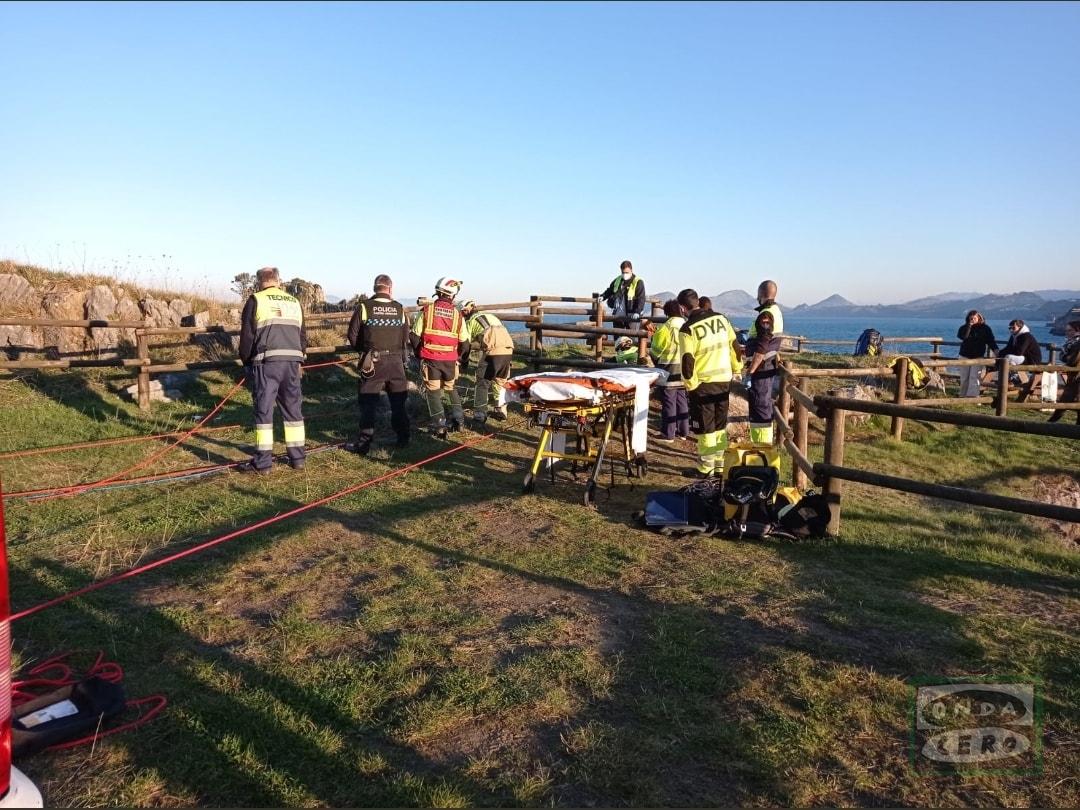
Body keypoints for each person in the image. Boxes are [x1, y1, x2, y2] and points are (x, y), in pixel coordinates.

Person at [236, 266, 307, 473]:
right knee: (293, 411)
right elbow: (302, 335)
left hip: (267, 363)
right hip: (293, 362)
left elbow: (247, 337)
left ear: (259, 282)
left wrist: (246, 362)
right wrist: (300, 356)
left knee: (264, 412)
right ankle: (298, 458)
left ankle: (263, 462)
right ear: (278, 280)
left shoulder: (256, 300)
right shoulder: (294, 302)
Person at [343, 274, 410, 456]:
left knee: (368, 402)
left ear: (375, 288)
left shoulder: (364, 307)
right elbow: (405, 337)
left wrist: (363, 352)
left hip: (373, 361)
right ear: (390, 288)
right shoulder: (399, 309)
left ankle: (364, 443)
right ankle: (403, 438)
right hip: (396, 362)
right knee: (398, 401)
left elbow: (353, 335)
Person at [678, 288, 742, 478]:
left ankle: (705, 469)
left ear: (683, 308)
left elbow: (687, 361)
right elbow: (734, 346)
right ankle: (720, 466)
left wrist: (690, 386)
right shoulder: (721, 319)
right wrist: (737, 369)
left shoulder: (687, 329)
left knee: (706, 429)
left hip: (703, 384)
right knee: (720, 425)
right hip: (724, 380)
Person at [410, 277, 469, 438]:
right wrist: (460, 358)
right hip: (450, 361)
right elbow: (465, 343)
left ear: (438, 292)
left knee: (434, 392)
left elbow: (414, 337)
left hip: (431, 360)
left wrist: (418, 354)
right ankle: (459, 419)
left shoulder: (427, 311)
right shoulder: (458, 315)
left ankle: (440, 425)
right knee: (451, 389)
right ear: (453, 296)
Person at [458, 299, 514, 425]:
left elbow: (466, 344)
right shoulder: (491, 316)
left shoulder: (471, 321)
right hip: (508, 349)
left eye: (462, 313)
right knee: (500, 380)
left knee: (482, 381)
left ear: (465, 311)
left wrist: (464, 360)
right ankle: (501, 409)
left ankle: (480, 414)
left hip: (492, 351)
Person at [649, 299, 690, 442]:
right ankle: (684, 431)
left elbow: (655, 351)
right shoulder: (687, 325)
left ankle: (668, 433)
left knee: (669, 402)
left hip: (669, 369)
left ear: (666, 312)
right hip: (685, 370)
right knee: (682, 400)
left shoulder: (665, 328)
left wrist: (656, 362)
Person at [744, 310, 781, 445]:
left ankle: (763, 445)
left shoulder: (765, 318)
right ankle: (758, 444)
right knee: (759, 405)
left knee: (761, 406)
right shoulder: (773, 314)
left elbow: (763, 346)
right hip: (762, 369)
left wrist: (750, 371)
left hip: (761, 369)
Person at [997, 319, 1042, 401]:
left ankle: (1014, 377)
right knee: (1006, 358)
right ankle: (1010, 377)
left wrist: (1004, 354)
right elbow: (1009, 348)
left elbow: (1019, 352)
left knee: (1008, 358)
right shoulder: (1014, 336)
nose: (1011, 330)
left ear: (1020, 327)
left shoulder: (1026, 336)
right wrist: (999, 354)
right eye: (1009, 328)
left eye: (1013, 328)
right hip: (1023, 357)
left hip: (1031, 359)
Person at [956, 310, 998, 397]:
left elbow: (991, 341)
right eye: (970, 318)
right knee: (964, 377)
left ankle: (973, 396)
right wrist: (969, 326)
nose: (972, 320)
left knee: (975, 377)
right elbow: (963, 337)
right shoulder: (964, 327)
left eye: (974, 318)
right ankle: (962, 395)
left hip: (978, 356)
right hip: (964, 355)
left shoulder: (985, 328)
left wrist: (996, 350)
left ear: (979, 318)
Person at [1048, 320, 1080, 424]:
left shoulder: (1076, 343)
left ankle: (1050, 424)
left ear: (1077, 330)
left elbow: (1072, 359)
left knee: (1066, 399)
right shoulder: (1073, 343)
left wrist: (1066, 360)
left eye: (1069, 330)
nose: (1067, 332)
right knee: (1070, 399)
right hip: (1074, 376)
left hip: (1076, 376)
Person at [601, 260, 646, 329]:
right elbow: (610, 290)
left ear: (631, 270)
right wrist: (603, 296)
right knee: (618, 338)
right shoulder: (618, 280)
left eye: (627, 272)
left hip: (631, 315)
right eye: (623, 272)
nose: (625, 274)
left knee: (630, 337)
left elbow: (641, 299)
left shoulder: (638, 282)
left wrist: (638, 312)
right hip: (617, 315)